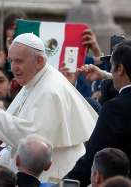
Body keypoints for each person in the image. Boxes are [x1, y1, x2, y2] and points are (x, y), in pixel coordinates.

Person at [0, 33, 98, 180]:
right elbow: (18, 138)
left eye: (19, 61)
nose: (13, 68)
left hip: (54, 176)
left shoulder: (50, 90)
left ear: (39, 61)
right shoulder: (32, 80)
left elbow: (33, 142)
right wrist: (0, 162)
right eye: (11, 61)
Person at [65, 40, 131, 186]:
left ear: (120, 68)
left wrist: (65, 183)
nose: (112, 71)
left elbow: (92, 158)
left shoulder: (115, 109)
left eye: (112, 66)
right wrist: (105, 75)